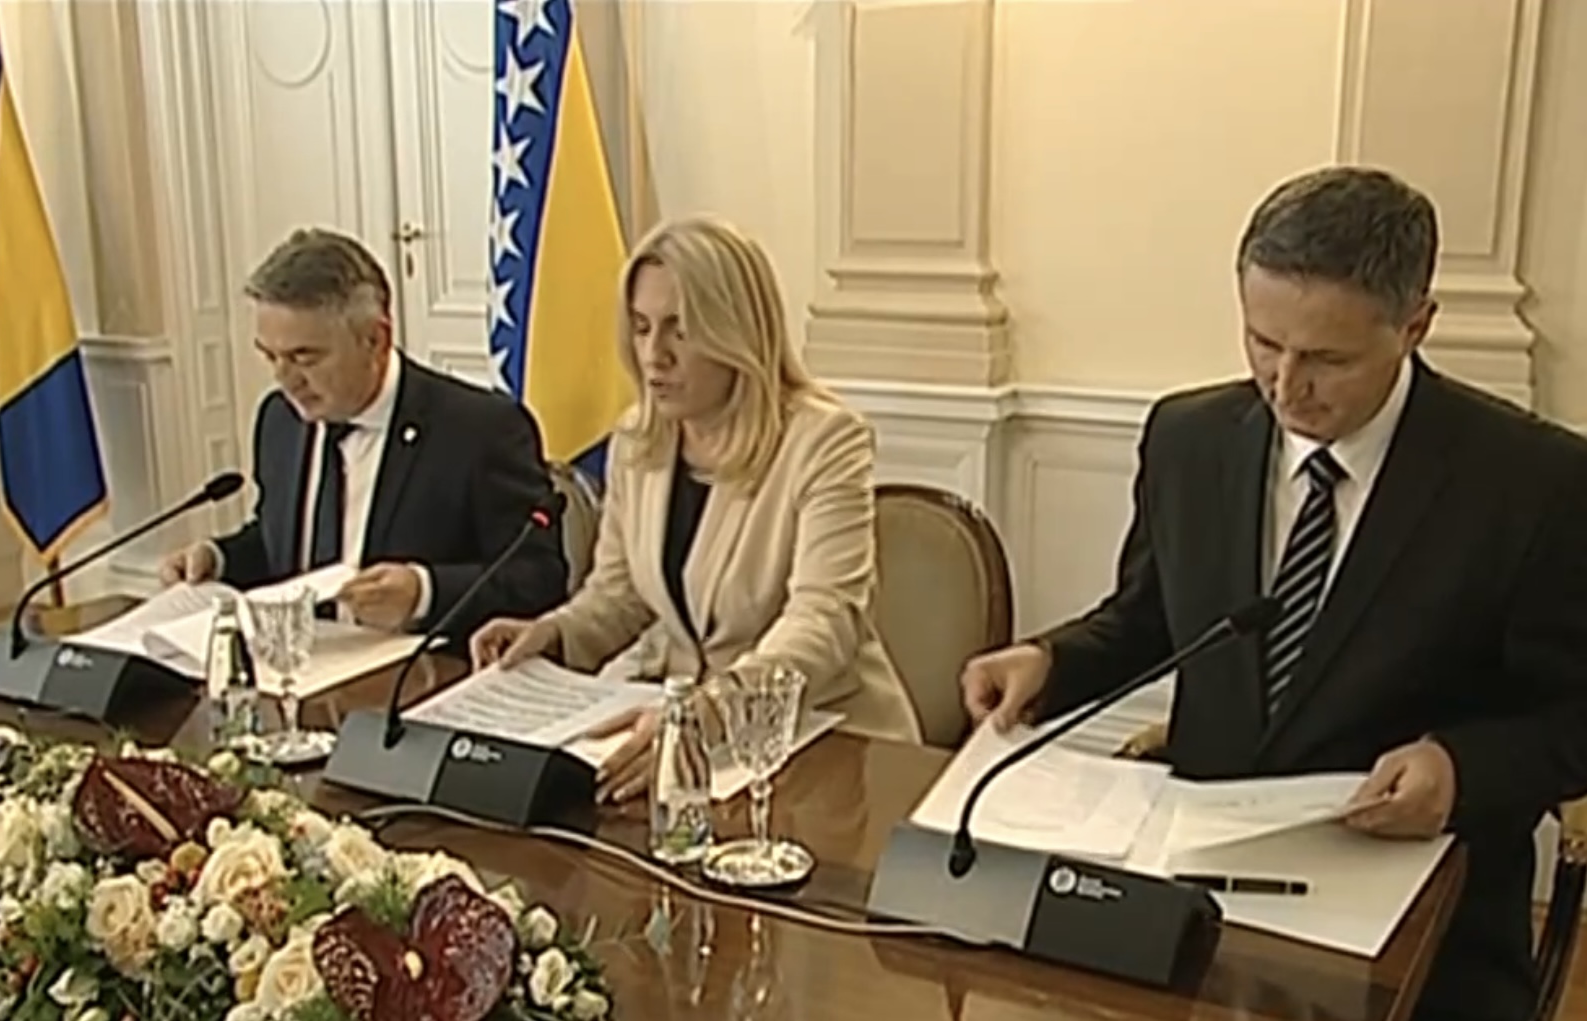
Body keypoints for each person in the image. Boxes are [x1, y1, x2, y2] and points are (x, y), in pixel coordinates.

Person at [960, 166, 1587, 1021]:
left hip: (1423, 935)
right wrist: (1050, 661)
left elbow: (1571, 716)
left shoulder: (1533, 482)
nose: (1285, 385)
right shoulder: (1187, 439)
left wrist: (1458, 768)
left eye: (1327, 359)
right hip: (1195, 913)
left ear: (1414, 325)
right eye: (1261, 342)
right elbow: (1148, 618)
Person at [471, 215, 922, 803]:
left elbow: (823, 622)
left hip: (823, 748)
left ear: (737, 331)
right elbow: (619, 595)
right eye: (641, 328)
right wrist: (554, 634)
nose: (653, 356)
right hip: (678, 737)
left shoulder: (824, 441)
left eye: (679, 331)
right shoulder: (639, 437)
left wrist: (707, 715)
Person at [159, 227, 568, 638]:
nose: (285, 379)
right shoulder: (279, 420)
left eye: (304, 357)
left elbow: (538, 578)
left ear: (375, 339)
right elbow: (283, 546)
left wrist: (424, 591)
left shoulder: (479, 430)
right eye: (270, 356)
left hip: (415, 666)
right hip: (296, 662)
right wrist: (219, 559)